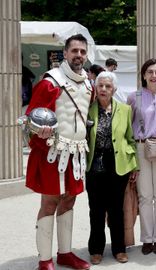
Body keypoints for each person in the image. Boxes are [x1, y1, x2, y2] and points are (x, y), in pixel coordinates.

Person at [25, 34, 92, 270]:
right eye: (74, 51)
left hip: (76, 152)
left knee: (69, 200)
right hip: (53, 151)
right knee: (50, 202)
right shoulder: (50, 81)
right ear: (65, 53)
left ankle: (65, 253)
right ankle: (45, 260)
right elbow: (31, 116)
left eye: (82, 51)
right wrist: (38, 130)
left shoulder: (88, 83)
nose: (79, 55)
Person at [85, 71, 139, 265]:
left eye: (108, 86)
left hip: (118, 165)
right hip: (94, 165)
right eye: (100, 86)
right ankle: (96, 249)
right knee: (96, 210)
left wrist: (134, 166)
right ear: (95, 88)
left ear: (114, 89)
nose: (104, 89)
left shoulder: (125, 110)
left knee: (117, 209)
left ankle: (119, 249)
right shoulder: (87, 109)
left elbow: (130, 140)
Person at [126, 58, 156, 255]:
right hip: (141, 148)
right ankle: (147, 238)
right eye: (150, 72)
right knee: (145, 196)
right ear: (144, 75)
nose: (154, 75)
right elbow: (127, 125)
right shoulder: (134, 97)